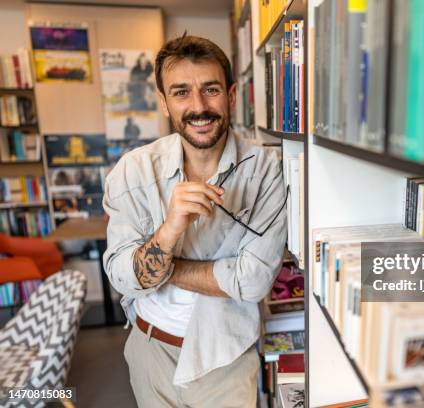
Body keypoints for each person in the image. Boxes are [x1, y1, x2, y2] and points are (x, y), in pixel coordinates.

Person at [103, 34, 287, 407]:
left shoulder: (267, 171)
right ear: (164, 103)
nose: (199, 106)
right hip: (150, 351)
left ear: (232, 95)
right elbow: (122, 277)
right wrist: (170, 229)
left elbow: (252, 281)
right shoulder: (134, 171)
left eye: (211, 89)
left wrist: (165, 267)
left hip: (226, 358)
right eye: (182, 92)